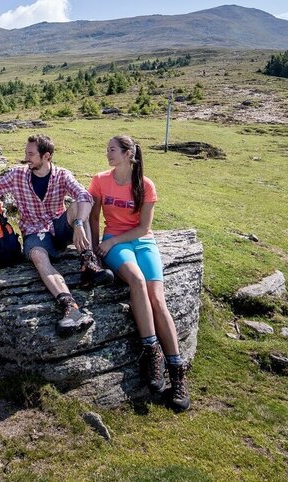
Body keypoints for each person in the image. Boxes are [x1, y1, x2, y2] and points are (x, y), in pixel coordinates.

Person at [0, 133, 113, 335]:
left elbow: (84, 195)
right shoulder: (18, 175)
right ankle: (71, 308)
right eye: (26, 153)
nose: (26, 157)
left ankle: (88, 264)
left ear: (46, 156)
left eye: (31, 154)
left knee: (78, 206)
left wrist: (77, 223)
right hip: (34, 232)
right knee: (37, 256)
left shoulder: (62, 175)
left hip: (58, 228)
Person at [89, 134, 190, 411]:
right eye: (107, 148)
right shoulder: (100, 180)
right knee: (136, 280)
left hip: (141, 242)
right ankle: (151, 350)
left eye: (112, 149)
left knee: (158, 299)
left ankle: (178, 371)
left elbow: (144, 228)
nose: (108, 153)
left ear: (128, 154)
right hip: (113, 244)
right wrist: (96, 249)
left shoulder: (145, 185)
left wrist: (112, 241)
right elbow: (93, 217)